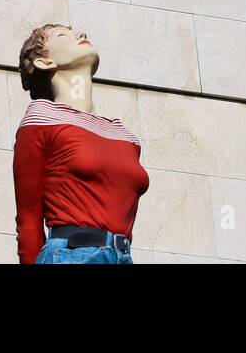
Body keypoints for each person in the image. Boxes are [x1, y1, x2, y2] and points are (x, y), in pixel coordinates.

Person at [12, 23, 150, 264]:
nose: (81, 34)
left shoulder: (123, 135)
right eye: (63, 35)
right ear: (44, 62)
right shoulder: (41, 119)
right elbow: (28, 220)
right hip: (71, 255)